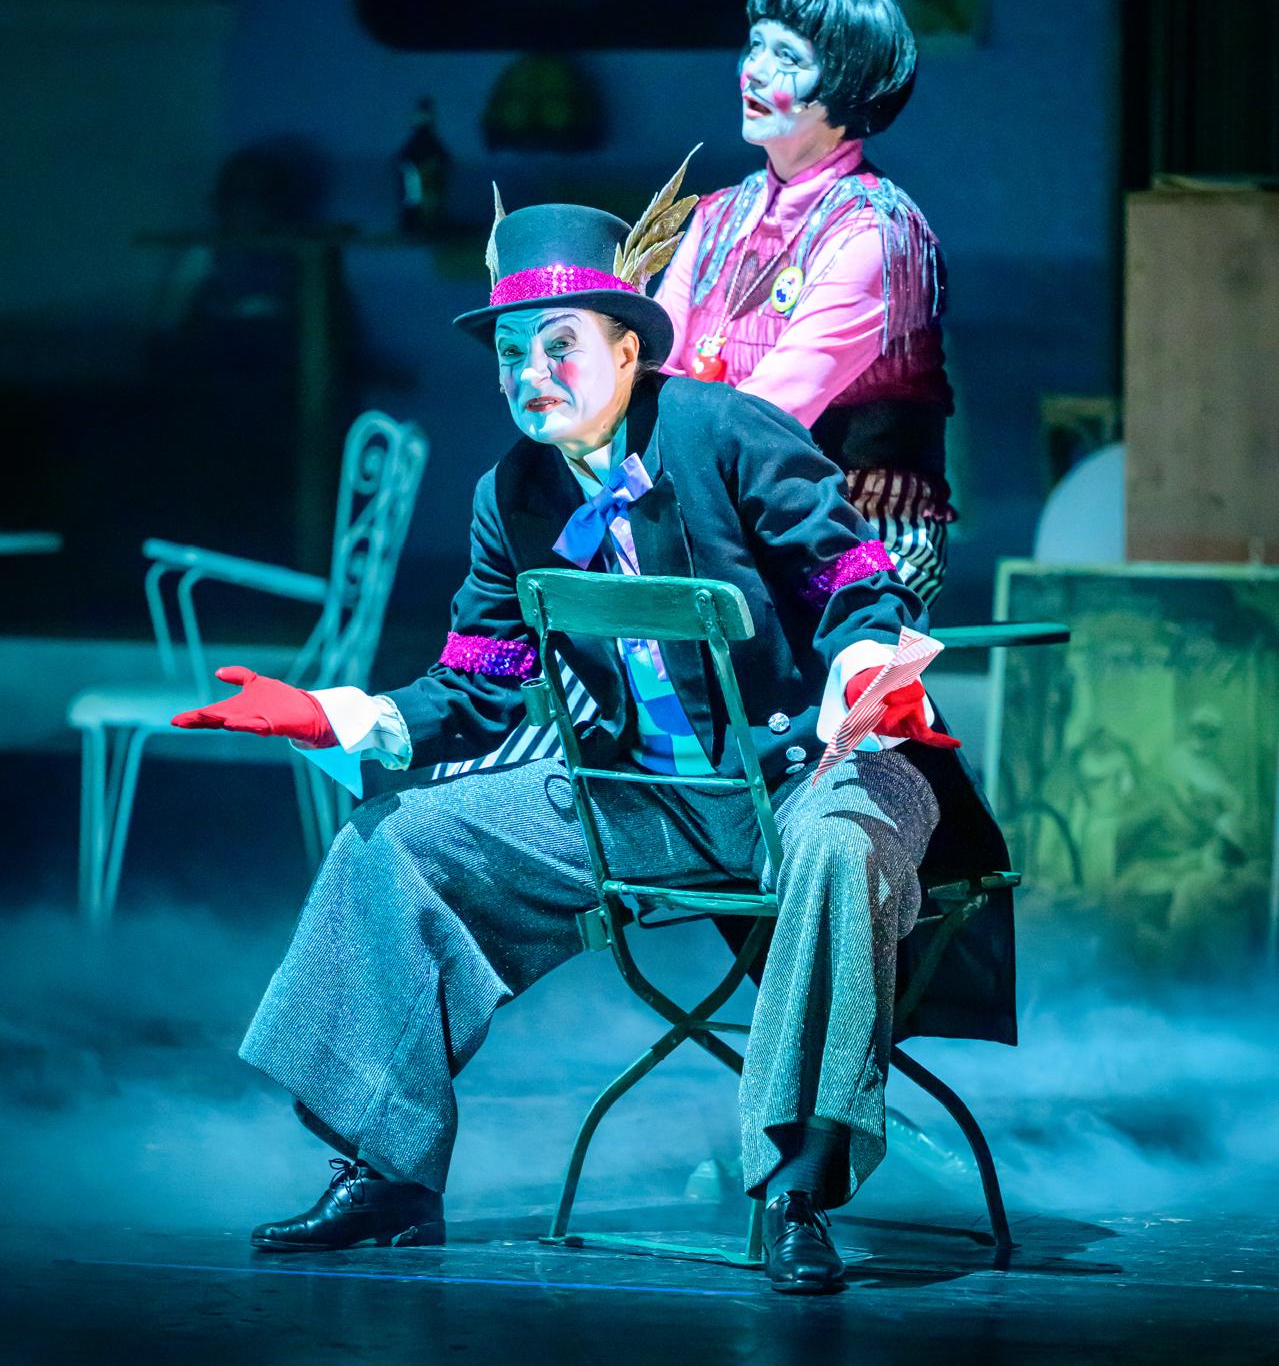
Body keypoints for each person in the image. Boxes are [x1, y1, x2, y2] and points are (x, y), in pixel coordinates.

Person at [172, 168, 1012, 1296]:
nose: (531, 374)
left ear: (626, 349)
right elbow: (480, 684)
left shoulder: (726, 432)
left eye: (557, 345)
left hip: (816, 768)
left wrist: (869, 669)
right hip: (646, 796)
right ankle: (387, 1169)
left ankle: (795, 1185)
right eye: (509, 352)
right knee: (398, 841)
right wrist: (342, 713)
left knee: (835, 848)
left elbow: (852, 578)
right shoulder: (512, 494)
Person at [657, 0, 954, 605]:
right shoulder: (717, 216)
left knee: (759, 633)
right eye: (754, 46)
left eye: (787, 58)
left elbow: (766, 417)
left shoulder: (879, 233)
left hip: (861, 527)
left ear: (847, 86)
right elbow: (654, 363)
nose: (754, 72)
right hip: (733, 510)